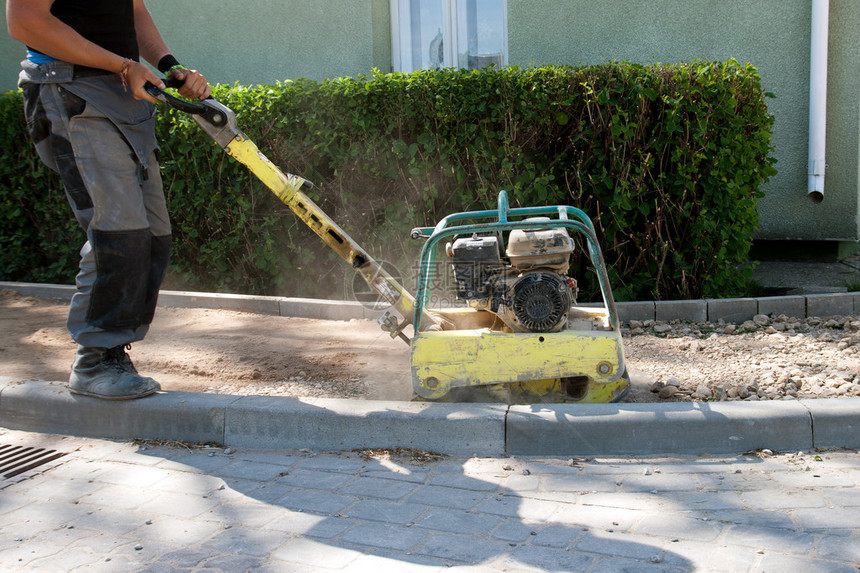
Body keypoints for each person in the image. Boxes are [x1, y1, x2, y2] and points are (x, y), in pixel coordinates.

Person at [6, 0, 210, 400]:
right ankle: (94, 359)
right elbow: (25, 21)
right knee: (117, 229)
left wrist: (169, 66)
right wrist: (122, 65)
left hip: (120, 93)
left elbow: (133, 11)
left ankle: (113, 352)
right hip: (70, 88)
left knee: (152, 234)